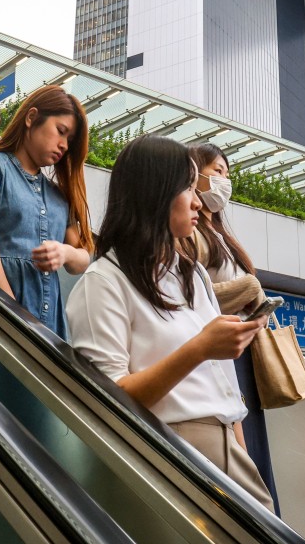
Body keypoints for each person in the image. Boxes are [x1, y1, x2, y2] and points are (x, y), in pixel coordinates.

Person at [67, 135, 275, 511]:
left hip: (226, 445)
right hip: (171, 450)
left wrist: (241, 455)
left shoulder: (191, 274)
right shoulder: (103, 281)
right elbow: (107, 400)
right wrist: (198, 349)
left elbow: (224, 387)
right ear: (155, 192)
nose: (198, 201)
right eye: (188, 188)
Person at [0, 85, 93, 340]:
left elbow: (82, 260)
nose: (63, 146)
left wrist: (65, 252)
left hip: (46, 328)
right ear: (31, 118)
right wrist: (13, 314)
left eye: (69, 141)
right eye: (61, 132)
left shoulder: (59, 195)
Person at [182, 142, 280, 512]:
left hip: (241, 350)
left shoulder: (218, 230)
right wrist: (249, 290)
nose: (225, 180)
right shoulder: (191, 233)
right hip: (221, 353)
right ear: (196, 173)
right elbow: (193, 296)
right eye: (217, 171)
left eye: (226, 172)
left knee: (251, 449)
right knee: (241, 454)